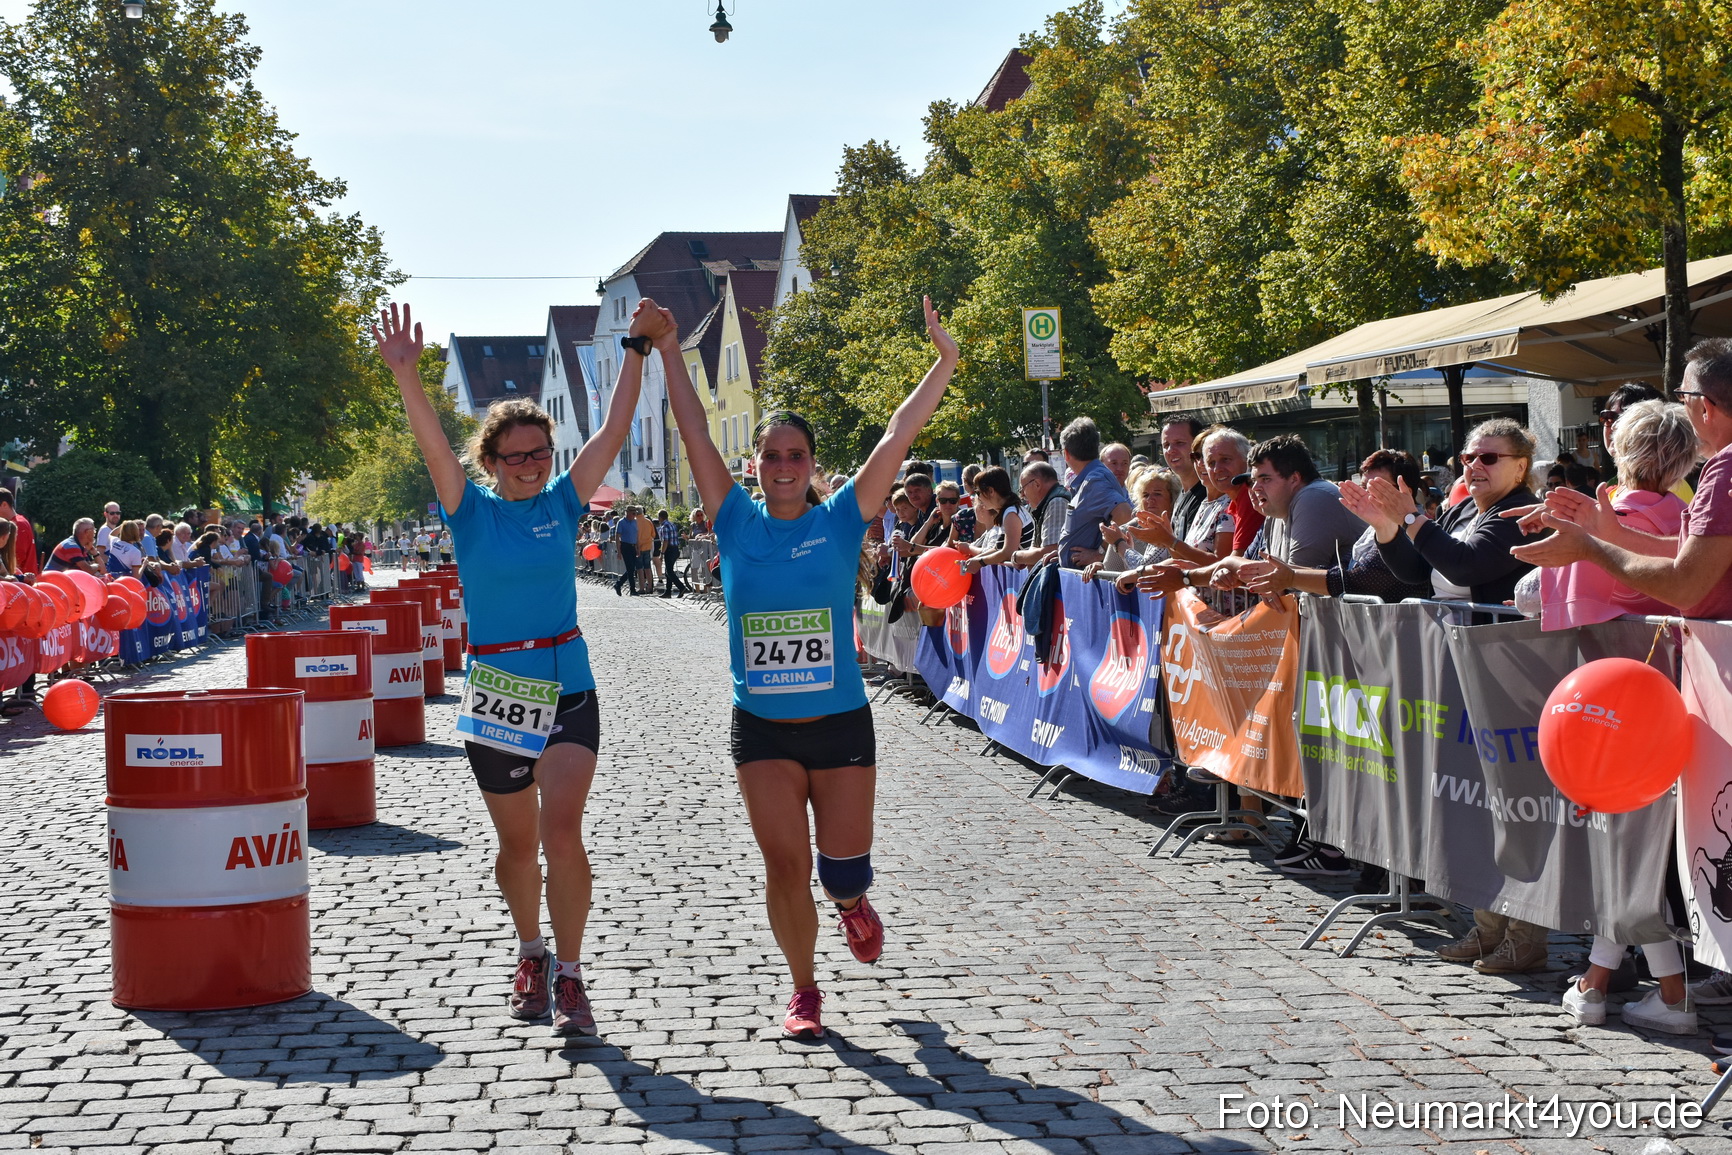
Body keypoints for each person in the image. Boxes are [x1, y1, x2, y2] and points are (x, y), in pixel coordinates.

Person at [664, 294, 958, 1039]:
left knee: (841, 870)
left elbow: (898, 432)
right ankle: (804, 989)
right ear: (754, 465)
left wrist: (944, 361)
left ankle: (853, 904)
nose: (784, 466)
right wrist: (668, 349)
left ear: (813, 465)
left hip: (839, 725)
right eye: (772, 455)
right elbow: (694, 427)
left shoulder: (841, 518)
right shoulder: (733, 518)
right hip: (762, 729)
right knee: (785, 868)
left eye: (796, 455)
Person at [372, 299, 649, 1037]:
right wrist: (407, 376)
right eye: (516, 457)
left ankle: (572, 973)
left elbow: (613, 429)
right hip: (497, 690)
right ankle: (531, 950)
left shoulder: (564, 501)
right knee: (518, 846)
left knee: (563, 832)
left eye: (539, 453)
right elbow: (434, 446)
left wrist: (635, 349)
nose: (530, 466)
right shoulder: (470, 511)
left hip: (568, 685)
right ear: (491, 463)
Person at [1342, 419, 1545, 975]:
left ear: (1521, 466)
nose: (1474, 466)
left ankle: (1526, 935)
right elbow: (1415, 575)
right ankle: (1488, 926)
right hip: (1459, 672)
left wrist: (1411, 519)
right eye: (1469, 457)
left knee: (1512, 809)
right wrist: (1387, 527)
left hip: (1507, 675)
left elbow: (1465, 565)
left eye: (1489, 458)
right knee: (1475, 807)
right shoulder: (1461, 511)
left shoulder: (1518, 513)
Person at [1520, 401, 1695, 630]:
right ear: (1686, 459)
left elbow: (1527, 598)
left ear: (1620, 448)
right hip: (1682, 644)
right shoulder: (1690, 518)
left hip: (1608, 646)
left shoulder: (1596, 527)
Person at [1237, 450, 1434, 604]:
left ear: (1405, 491)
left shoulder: (1412, 532)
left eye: (1378, 488)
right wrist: (1284, 573)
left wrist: (1291, 577)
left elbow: (1357, 581)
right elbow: (1342, 570)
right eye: (1363, 487)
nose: (1366, 496)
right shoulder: (1373, 530)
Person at [1055, 417, 1132, 568]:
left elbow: (1124, 513)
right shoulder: (1091, 477)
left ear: (1066, 453)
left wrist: (1100, 553)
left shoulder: (1095, 481)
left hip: (1090, 578)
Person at [961, 467, 1025, 572]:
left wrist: (980, 562)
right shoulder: (1007, 512)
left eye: (978, 492)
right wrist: (973, 561)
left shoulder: (1011, 514)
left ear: (991, 491)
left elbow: (1008, 552)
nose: (978, 498)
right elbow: (997, 548)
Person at [1009, 462, 1070, 567]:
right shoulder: (1045, 505)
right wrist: (1027, 557)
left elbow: (1050, 552)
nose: (1022, 495)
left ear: (1037, 484)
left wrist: (1016, 557)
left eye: (1022, 489)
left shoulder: (1057, 502)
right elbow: (1035, 549)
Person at [1160, 417, 1209, 541]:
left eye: (1179, 443)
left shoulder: (1209, 495)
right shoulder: (1182, 494)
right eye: (1166, 445)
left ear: (1198, 445)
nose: (1171, 450)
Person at [655, 511, 689, 598]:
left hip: (669, 550)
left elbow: (665, 541)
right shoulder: (671, 524)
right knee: (668, 571)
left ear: (660, 517)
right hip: (675, 548)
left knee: (669, 571)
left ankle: (681, 587)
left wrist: (662, 553)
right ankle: (668, 591)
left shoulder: (664, 526)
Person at [612, 506, 640, 597]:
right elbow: (617, 537)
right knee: (630, 568)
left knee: (632, 569)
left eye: (635, 513)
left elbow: (637, 536)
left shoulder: (635, 522)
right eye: (633, 513)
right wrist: (619, 551)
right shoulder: (621, 522)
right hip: (625, 546)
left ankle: (619, 584)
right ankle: (632, 589)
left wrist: (638, 548)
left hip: (633, 546)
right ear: (627, 513)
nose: (634, 515)